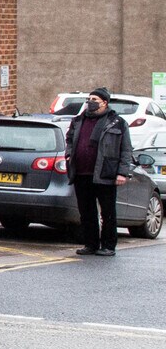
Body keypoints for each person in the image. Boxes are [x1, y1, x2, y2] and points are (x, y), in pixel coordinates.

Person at [65, 87, 135, 257]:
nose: (90, 102)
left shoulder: (116, 122)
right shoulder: (78, 120)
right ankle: (91, 244)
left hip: (105, 173)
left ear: (105, 103)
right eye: (89, 99)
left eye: (95, 100)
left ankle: (109, 245)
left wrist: (122, 173)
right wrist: (68, 155)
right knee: (87, 212)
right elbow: (69, 140)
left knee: (108, 212)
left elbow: (126, 150)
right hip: (81, 173)